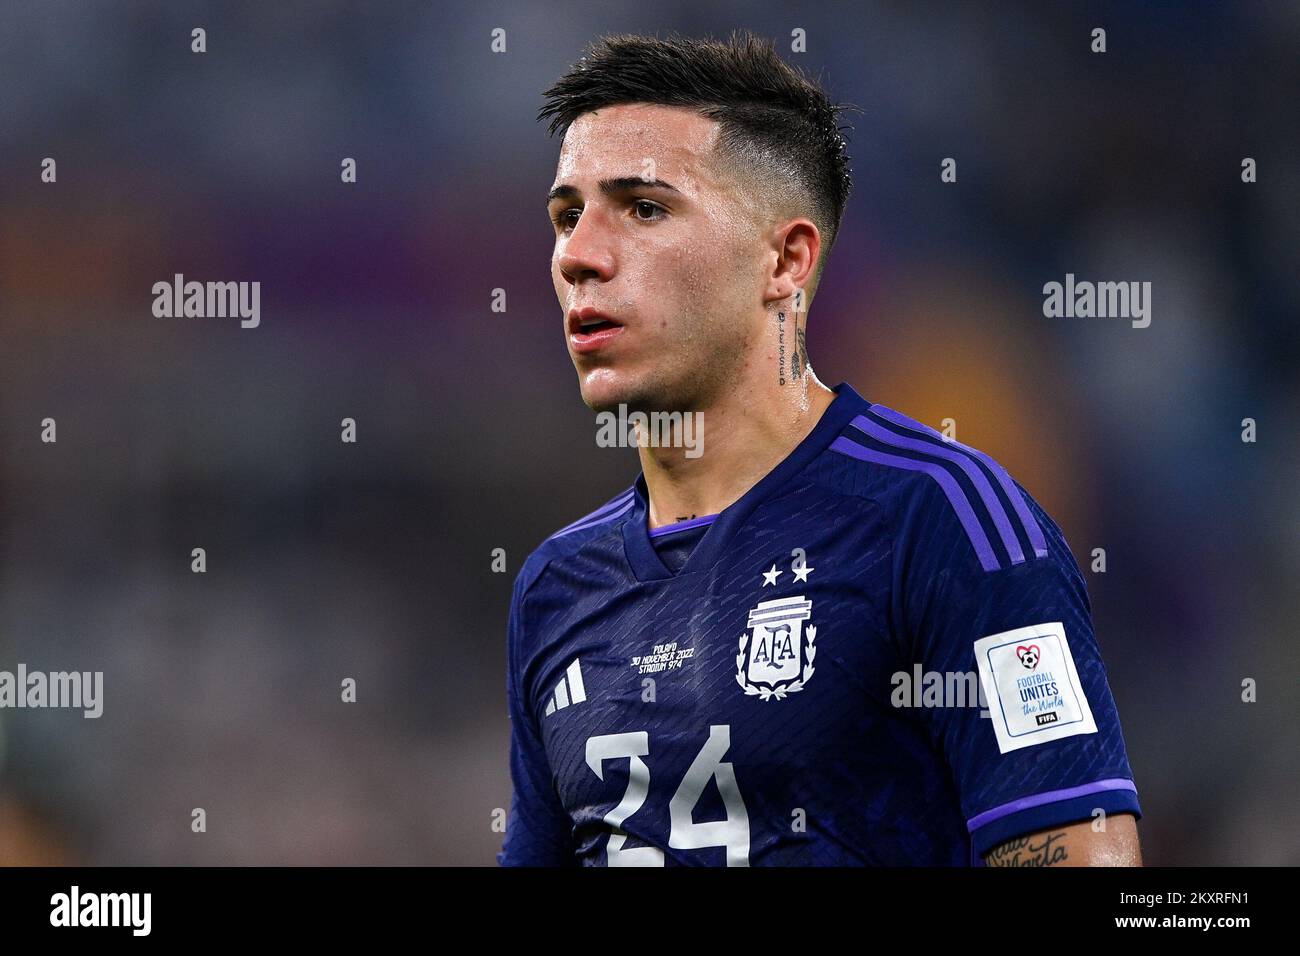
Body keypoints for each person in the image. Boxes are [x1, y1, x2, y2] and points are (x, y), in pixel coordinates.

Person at [499, 31, 1142, 866]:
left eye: (645, 208)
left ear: (786, 259)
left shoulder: (941, 522)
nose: (579, 257)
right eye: (567, 216)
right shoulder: (556, 586)